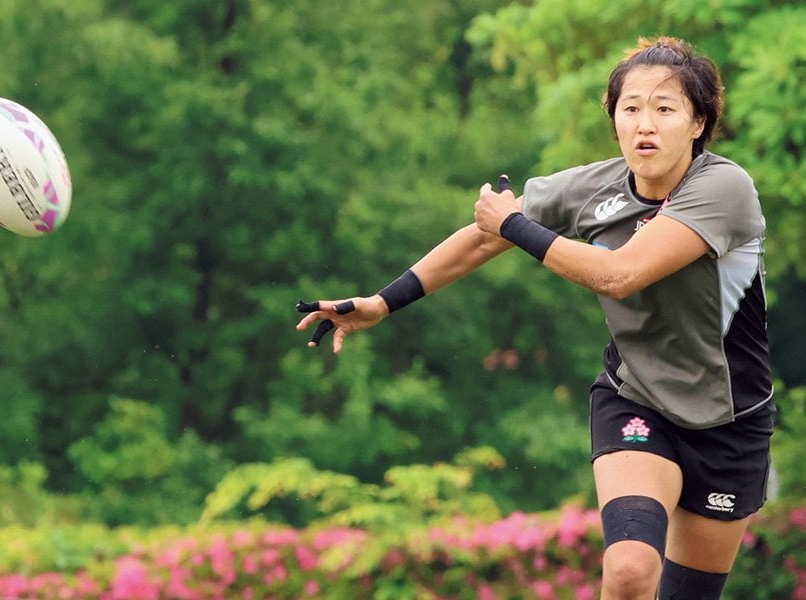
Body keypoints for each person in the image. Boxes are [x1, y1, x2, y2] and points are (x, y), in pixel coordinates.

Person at [295, 36, 773, 600]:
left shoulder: (722, 187)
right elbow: (480, 241)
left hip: (731, 421)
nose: (646, 123)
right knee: (628, 573)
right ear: (615, 119)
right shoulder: (593, 188)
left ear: (698, 123)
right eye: (631, 107)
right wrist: (383, 301)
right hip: (637, 400)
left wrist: (514, 224)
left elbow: (619, 274)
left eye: (665, 109)